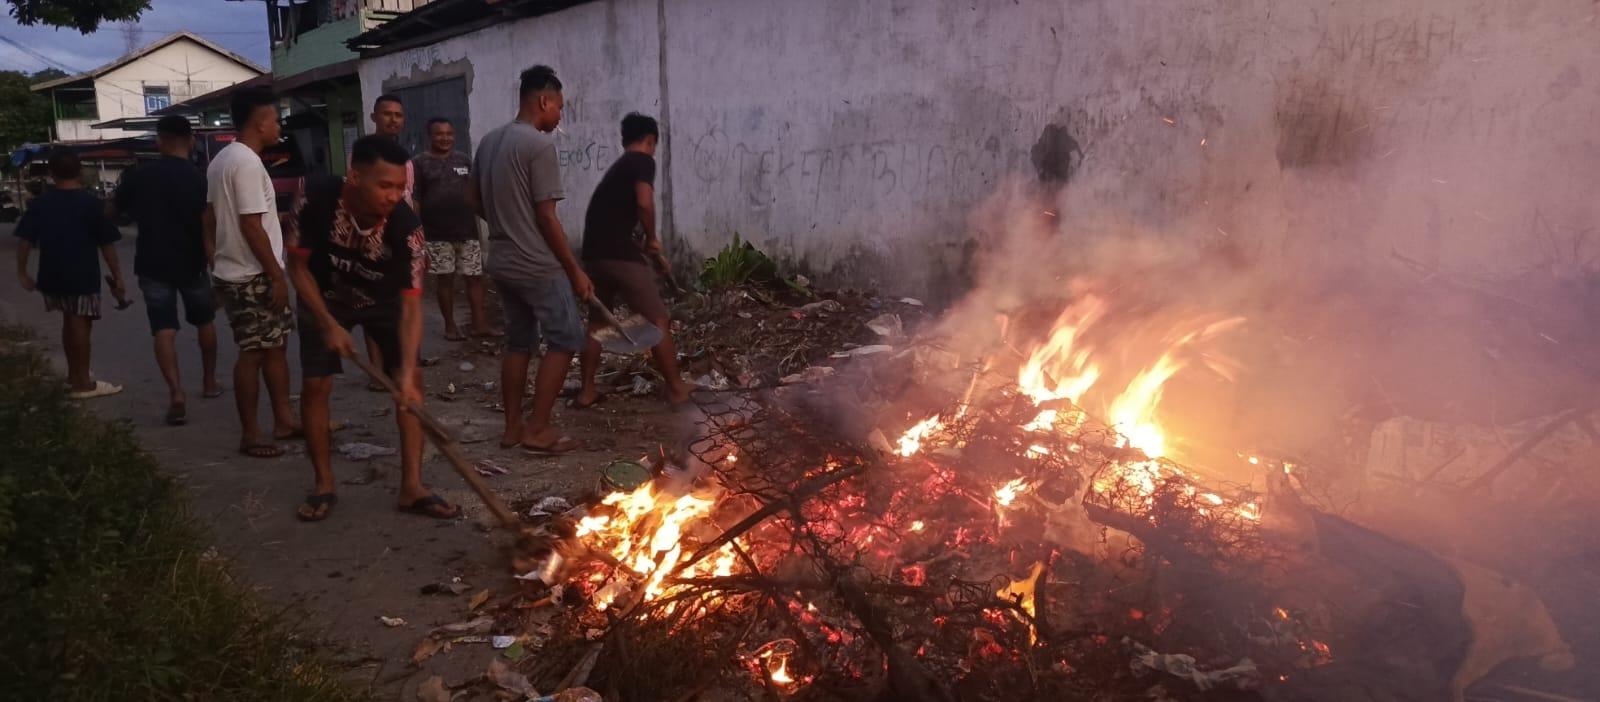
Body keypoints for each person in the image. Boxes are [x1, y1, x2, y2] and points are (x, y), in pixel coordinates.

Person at [284, 135, 459, 522]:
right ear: (354, 176)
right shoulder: (313, 198)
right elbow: (296, 267)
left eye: (400, 186)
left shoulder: (407, 228)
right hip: (324, 294)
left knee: (410, 385)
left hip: (384, 301)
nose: (394, 195)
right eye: (385, 185)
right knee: (316, 385)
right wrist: (328, 323)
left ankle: (412, 487)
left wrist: (409, 377)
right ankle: (323, 484)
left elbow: (412, 307)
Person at [474, 65, 591, 454]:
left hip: (501, 258)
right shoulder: (539, 147)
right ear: (544, 100)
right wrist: (574, 269)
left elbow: (472, 201)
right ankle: (538, 428)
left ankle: (512, 427)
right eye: (559, 106)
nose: (559, 116)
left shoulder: (489, 142)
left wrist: (506, 224)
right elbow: (546, 216)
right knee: (566, 337)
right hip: (536, 264)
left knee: (519, 341)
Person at [111, 115, 223, 425]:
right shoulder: (201, 179)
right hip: (192, 263)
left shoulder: (138, 176)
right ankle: (210, 382)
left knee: (163, 327)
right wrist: (215, 263)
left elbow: (111, 211)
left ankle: (176, 391)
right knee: (204, 321)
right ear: (191, 140)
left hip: (152, 263)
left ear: (159, 141)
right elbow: (210, 225)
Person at [207, 85, 300, 458]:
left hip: (239, 269)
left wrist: (214, 258)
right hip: (251, 275)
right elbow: (250, 224)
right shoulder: (244, 162)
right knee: (254, 352)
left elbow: (209, 218)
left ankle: (284, 419)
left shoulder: (221, 160)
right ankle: (251, 433)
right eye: (275, 119)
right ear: (260, 122)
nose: (278, 127)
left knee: (275, 346)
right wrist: (276, 274)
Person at [576, 113, 691, 406]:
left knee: (597, 324)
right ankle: (677, 389)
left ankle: (587, 391)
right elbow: (644, 203)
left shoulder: (617, 169)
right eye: (653, 145)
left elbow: (616, 222)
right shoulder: (642, 162)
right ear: (650, 141)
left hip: (593, 255)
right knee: (658, 320)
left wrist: (649, 251)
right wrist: (653, 238)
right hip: (618, 255)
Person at [13, 150, 125, 399]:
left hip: (51, 275)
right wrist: (118, 277)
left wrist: (22, 272)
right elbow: (107, 245)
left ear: (51, 174)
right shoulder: (91, 204)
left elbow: (24, 239)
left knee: (69, 321)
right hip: (81, 275)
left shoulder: (41, 204)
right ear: (80, 172)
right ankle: (83, 383)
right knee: (80, 323)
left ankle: (74, 376)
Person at [413, 117, 496, 340]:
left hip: (467, 231)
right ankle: (450, 327)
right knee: (445, 279)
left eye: (449, 134)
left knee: (475, 277)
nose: (445, 138)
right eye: (439, 134)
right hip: (436, 235)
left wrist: (491, 220)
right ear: (429, 137)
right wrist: (417, 231)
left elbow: (474, 194)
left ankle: (479, 324)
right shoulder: (420, 163)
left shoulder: (464, 160)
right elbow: (416, 198)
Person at [358, 94, 415, 384]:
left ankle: (398, 363)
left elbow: (409, 199)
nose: (393, 119)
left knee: (399, 300)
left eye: (398, 115)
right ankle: (376, 368)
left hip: (400, 238)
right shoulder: (366, 154)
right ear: (374, 117)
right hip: (374, 237)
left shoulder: (404, 156)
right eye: (387, 114)